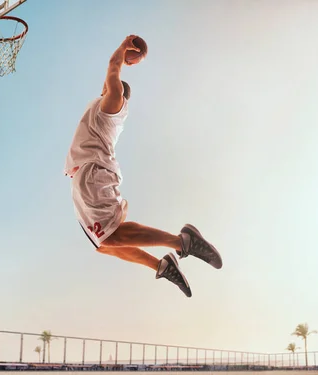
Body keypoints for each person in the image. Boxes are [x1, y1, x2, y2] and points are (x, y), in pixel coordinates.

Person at [64, 35, 222, 297]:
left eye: (109, 84)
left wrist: (123, 47)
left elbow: (113, 68)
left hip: (92, 173)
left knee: (109, 237)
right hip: (86, 174)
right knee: (103, 245)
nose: (105, 84)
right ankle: (163, 265)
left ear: (115, 91)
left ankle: (183, 242)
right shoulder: (104, 110)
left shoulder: (112, 105)